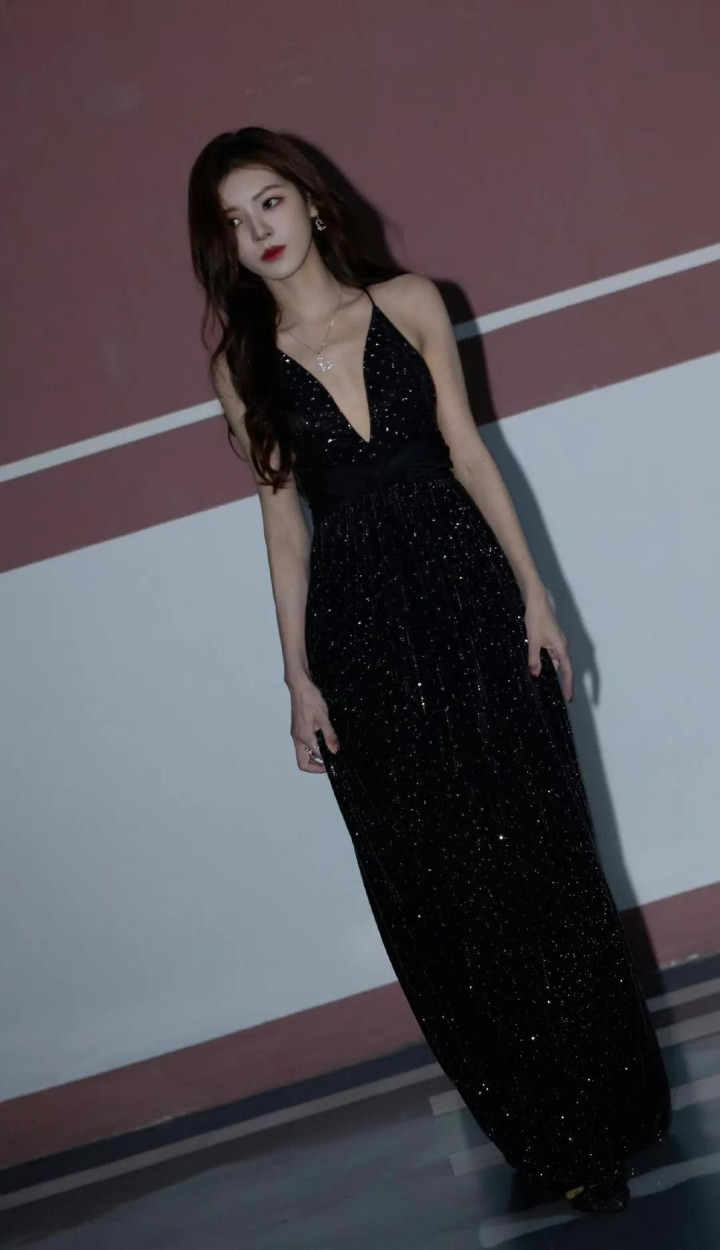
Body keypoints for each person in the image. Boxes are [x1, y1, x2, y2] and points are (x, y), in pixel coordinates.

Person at [187, 126, 671, 1213]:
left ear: (311, 202)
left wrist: (536, 594)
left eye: (269, 202)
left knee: (539, 849)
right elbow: (283, 527)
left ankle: (610, 1108)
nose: (257, 230)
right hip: (360, 637)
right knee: (441, 885)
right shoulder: (241, 367)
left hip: (470, 599)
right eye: (234, 221)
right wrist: (298, 679)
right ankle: (546, 1131)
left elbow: (467, 450)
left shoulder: (411, 303)